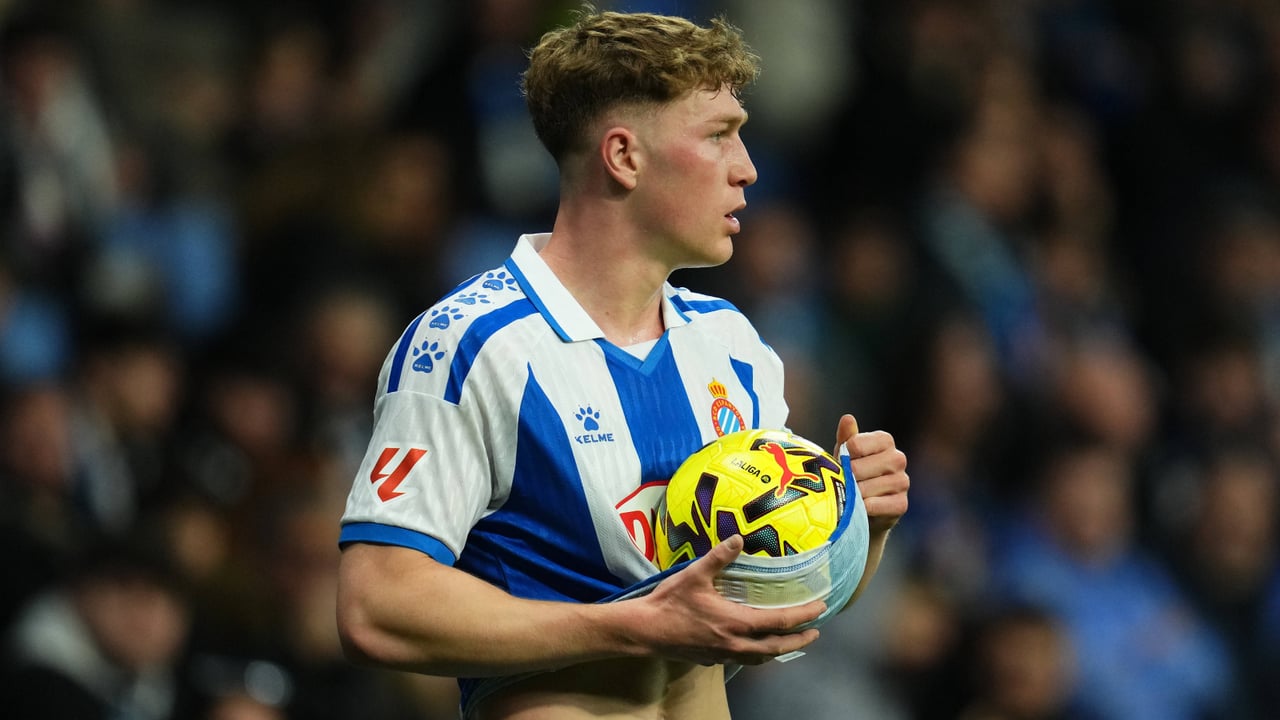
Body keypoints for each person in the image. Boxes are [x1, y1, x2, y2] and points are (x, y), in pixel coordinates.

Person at [334, 8, 909, 720]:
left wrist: (858, 526)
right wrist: (628, 626)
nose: (748, 168)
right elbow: (375, 607)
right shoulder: (472, 345)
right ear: (624, 156)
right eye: (719, 135)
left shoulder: (731, 343)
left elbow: (777, 609)